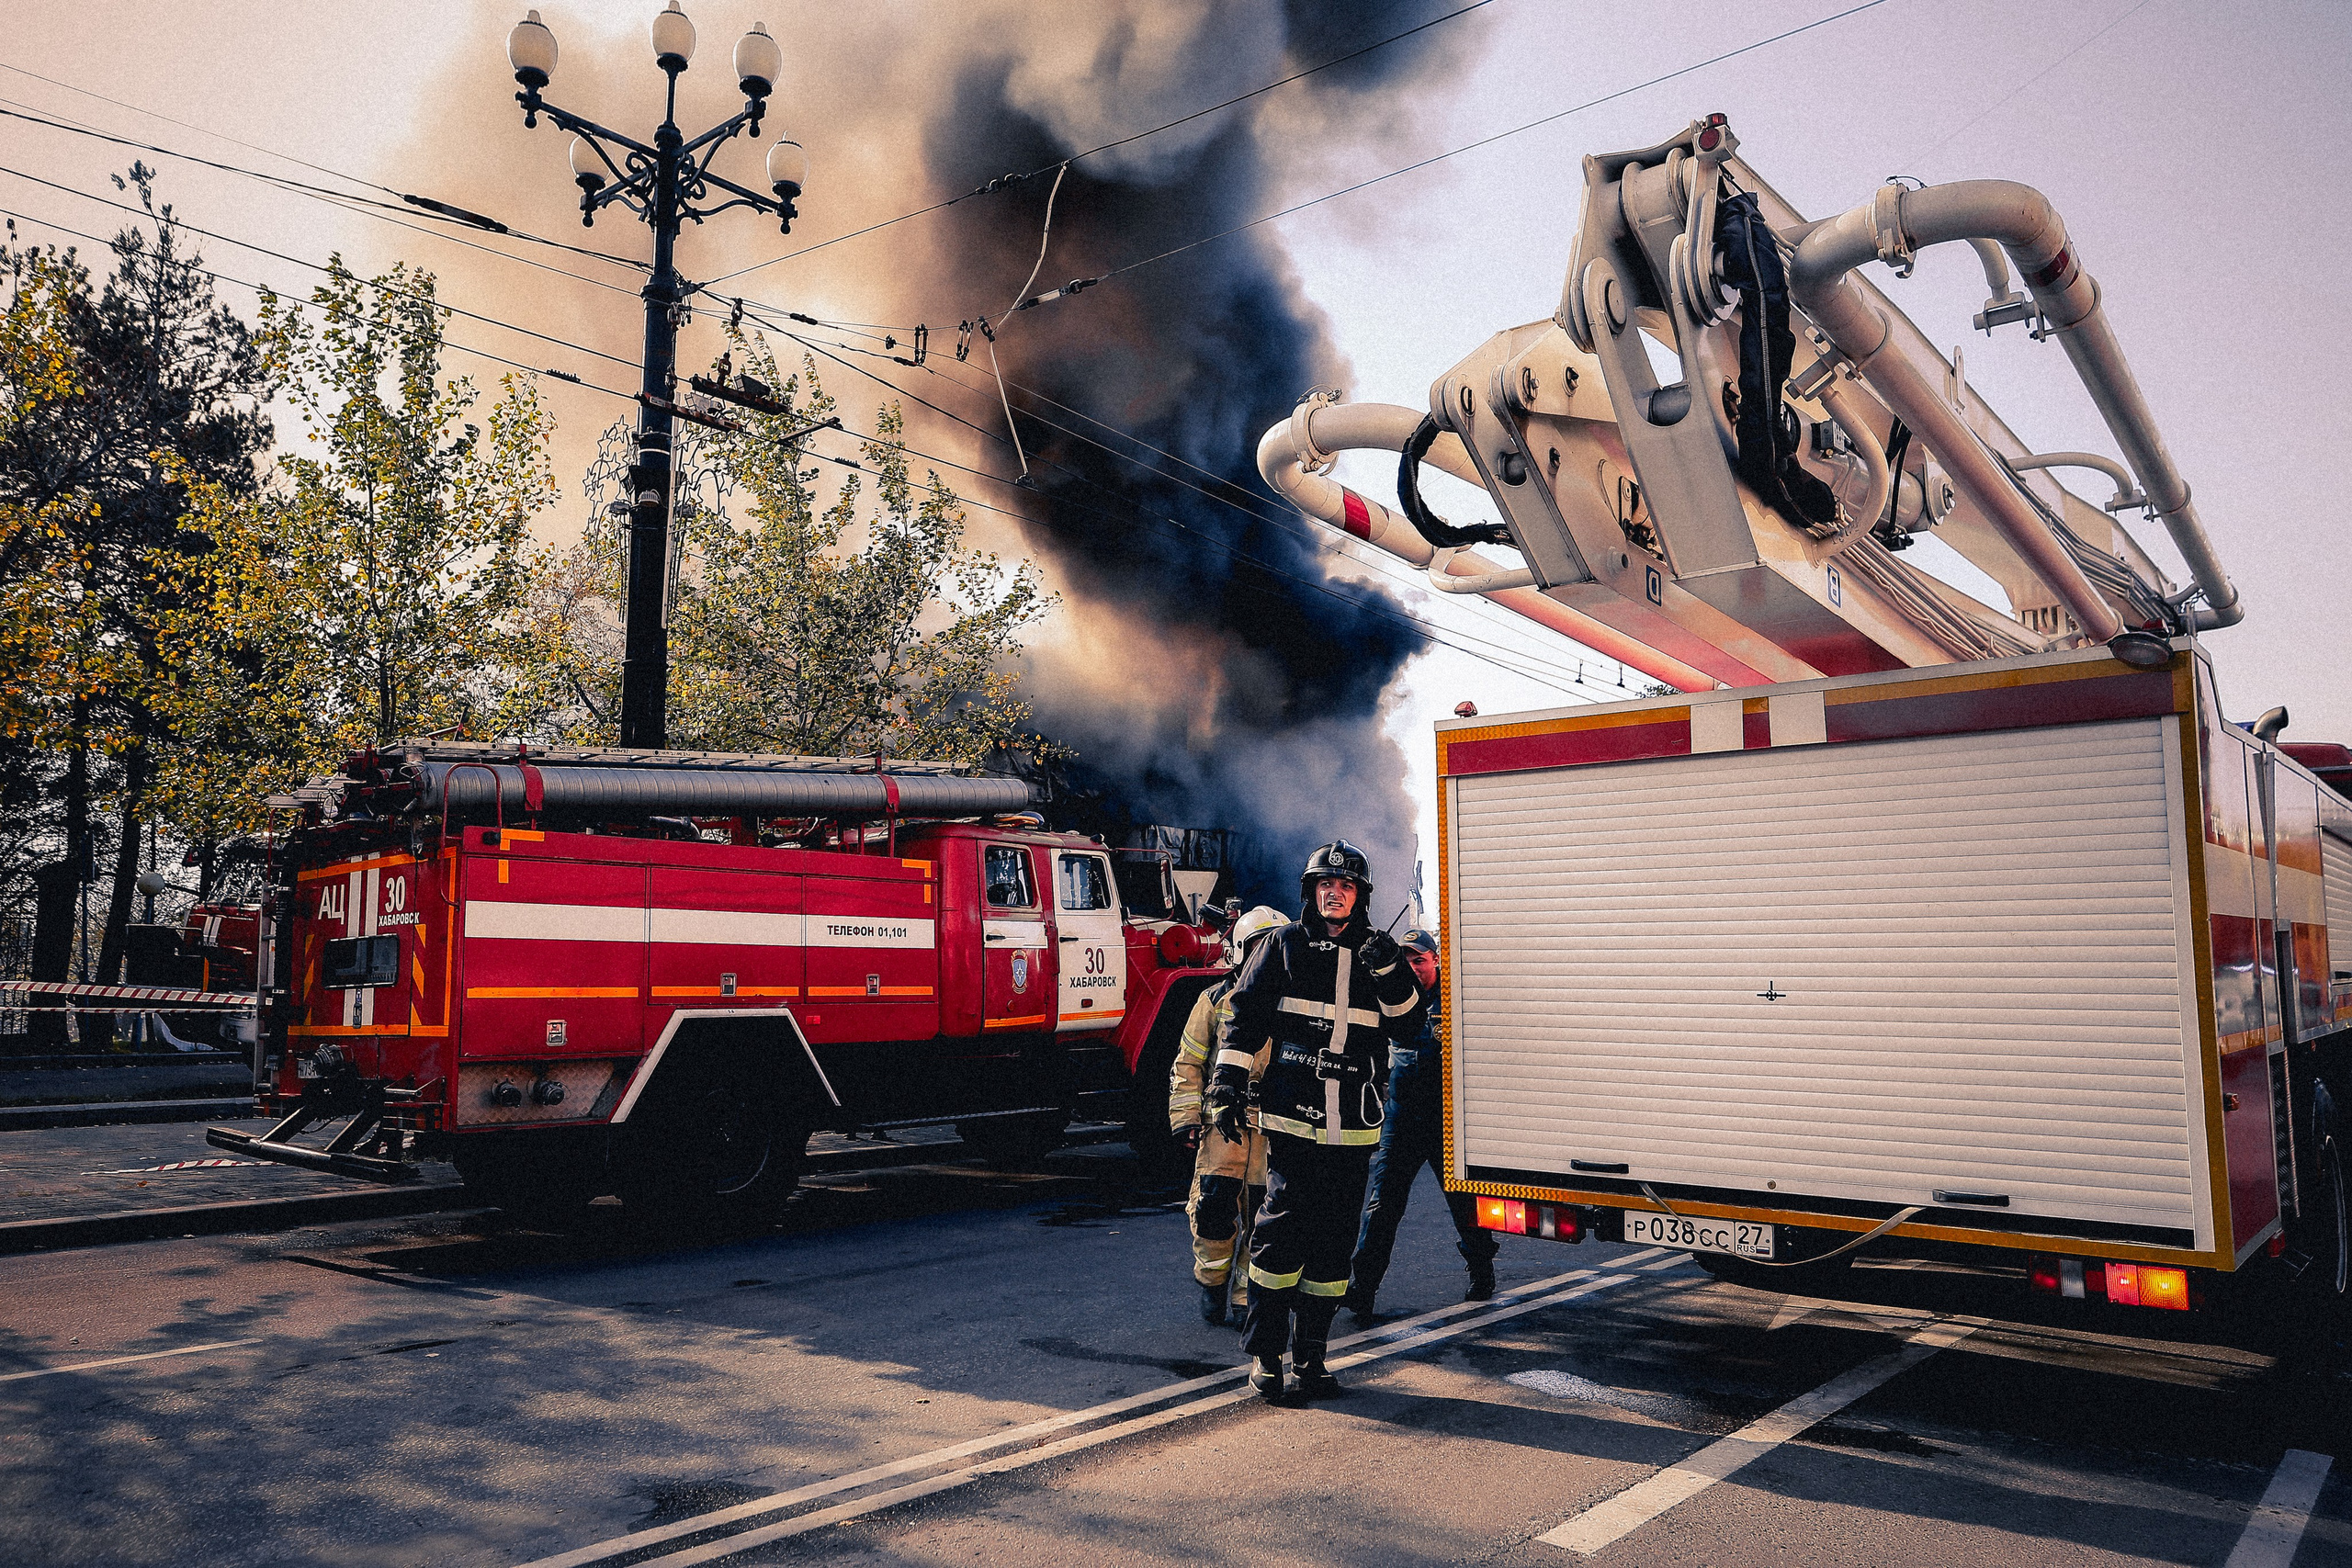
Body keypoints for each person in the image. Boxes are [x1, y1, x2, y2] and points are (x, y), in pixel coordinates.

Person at [1204, 841, 1419, 1402]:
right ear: (1311, 891)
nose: (1334, 892)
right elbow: (1243, 1018)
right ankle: (1267, 1359)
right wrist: (1225, 1085)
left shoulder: (1382, 954)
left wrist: (1390, 971)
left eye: (1346, 886)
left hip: (1353, 1126)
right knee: (1279, 1239)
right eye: (1326, 884)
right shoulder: (1283, 946)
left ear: (1361, 896)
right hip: (1292, 1118)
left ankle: (1313, 1358)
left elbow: (1408, 1026)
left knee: (1333, 1245)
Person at [1344, 929, 1498, 1321]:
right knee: (1382, 1204)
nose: (1412, 968)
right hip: (1402, 1116)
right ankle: (1362, 1289)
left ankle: (1482, 1270)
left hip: (1447, 1119)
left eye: (1418, 960)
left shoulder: (1457, 998)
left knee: (1463, 1202)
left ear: (1435, 961)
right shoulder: (1392, 995)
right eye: (1406, 961)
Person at [1168, 904, 1288, 1325]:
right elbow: (1188, 1063)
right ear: (1240, 950)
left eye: (1274, 948)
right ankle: (1212, 1283)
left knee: (1263, 1216)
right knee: (1213, 1208)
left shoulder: (1292, 1004)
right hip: (1224, 1124)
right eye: (1258, 947)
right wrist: (1185, 1118)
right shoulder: (1215, 1000)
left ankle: (1242, 1296)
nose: (1266, 956)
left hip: (1272, 1126)